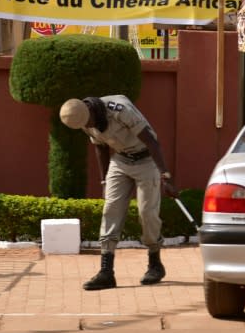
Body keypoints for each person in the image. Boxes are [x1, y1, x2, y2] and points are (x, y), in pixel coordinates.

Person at [59, 96, 178, 291]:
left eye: (87, 123)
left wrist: (166, 177)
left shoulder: (120, 110)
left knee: (147, 213)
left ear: (90, 111)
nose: (87, 126)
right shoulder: (81, 118)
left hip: (146, 160)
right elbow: (100, 147)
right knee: (110, 210)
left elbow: (151, 142)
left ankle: (155, 263)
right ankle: (106, 272)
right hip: (120, 161)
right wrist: (105, 180)